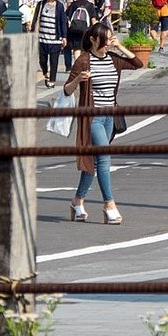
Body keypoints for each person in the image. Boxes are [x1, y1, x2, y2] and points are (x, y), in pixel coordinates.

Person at [64, 22, 143, 224]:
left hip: (109, 118)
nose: (108, 43)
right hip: (92, 118)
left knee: (94, 162)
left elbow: (138, 64)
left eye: (110, 39)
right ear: (93, 39)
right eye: (105, 40)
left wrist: (120, 46)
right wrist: (79, 79)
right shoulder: (83, 61)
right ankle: (109, 204)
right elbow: (67, 90)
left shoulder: (113, 60)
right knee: (104, 159)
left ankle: (77, 201)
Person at [32, 0, 68, 86]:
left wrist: (64, 37)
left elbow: (62, 21)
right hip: (42, 38)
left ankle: (52, 80)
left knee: (54, 61)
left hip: (55, 38)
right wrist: (32, 31)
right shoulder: (41, 4)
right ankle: (45, 72)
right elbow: (35, 19)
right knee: (42, 60)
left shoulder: (59, 6)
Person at [63, 0, 97, 70]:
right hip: (85, 31)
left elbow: (67, 17)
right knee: (84, 49)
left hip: (73, 30)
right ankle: (81, 66)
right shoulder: (90, 6)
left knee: (76, 49)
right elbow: (93, 20)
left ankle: (74, 66)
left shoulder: (74, 4)